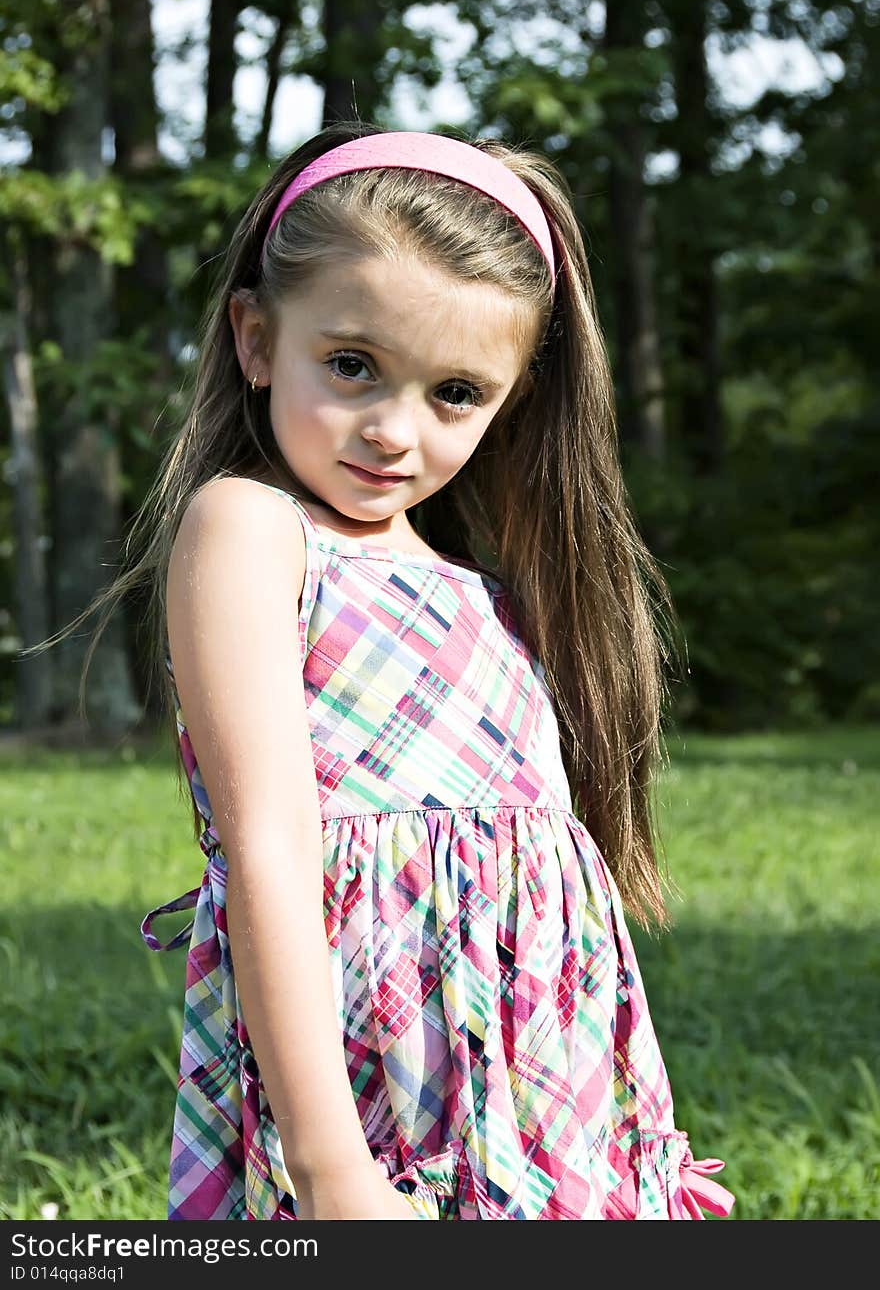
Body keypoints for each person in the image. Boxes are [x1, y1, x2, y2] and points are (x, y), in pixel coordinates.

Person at [138, 123, 735, 1221]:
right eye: (352, 366)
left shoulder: (486, 592)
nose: (393, 432)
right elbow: (270, 849)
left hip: (539, 1107)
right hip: (366, 1097)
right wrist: (329, 1171)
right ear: (257, 338)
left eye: (454, 392)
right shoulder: (253, 530)